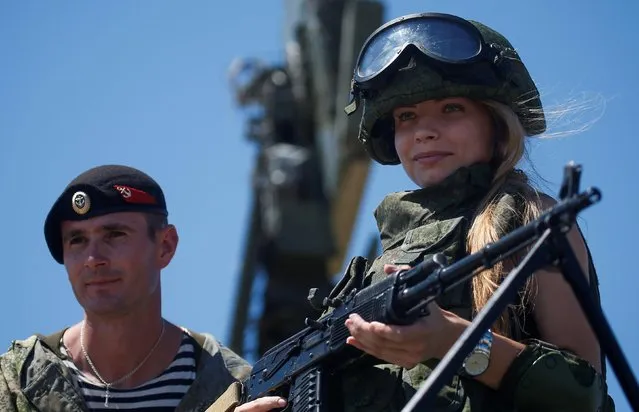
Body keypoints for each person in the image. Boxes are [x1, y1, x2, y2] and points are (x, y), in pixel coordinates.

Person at [325, 11, 616, 411]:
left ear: (496, 123)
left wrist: (456, 341)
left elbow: (586, 397)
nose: (424, 130)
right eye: (406, 116)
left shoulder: (528, 218)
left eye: (450, 108)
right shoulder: (378, 262)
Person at [0, 165, 286, 412]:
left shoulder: (233, 383)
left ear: (165, 246)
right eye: (76, 240)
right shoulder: (19, 382)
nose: (93, 259)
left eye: (114, 234)